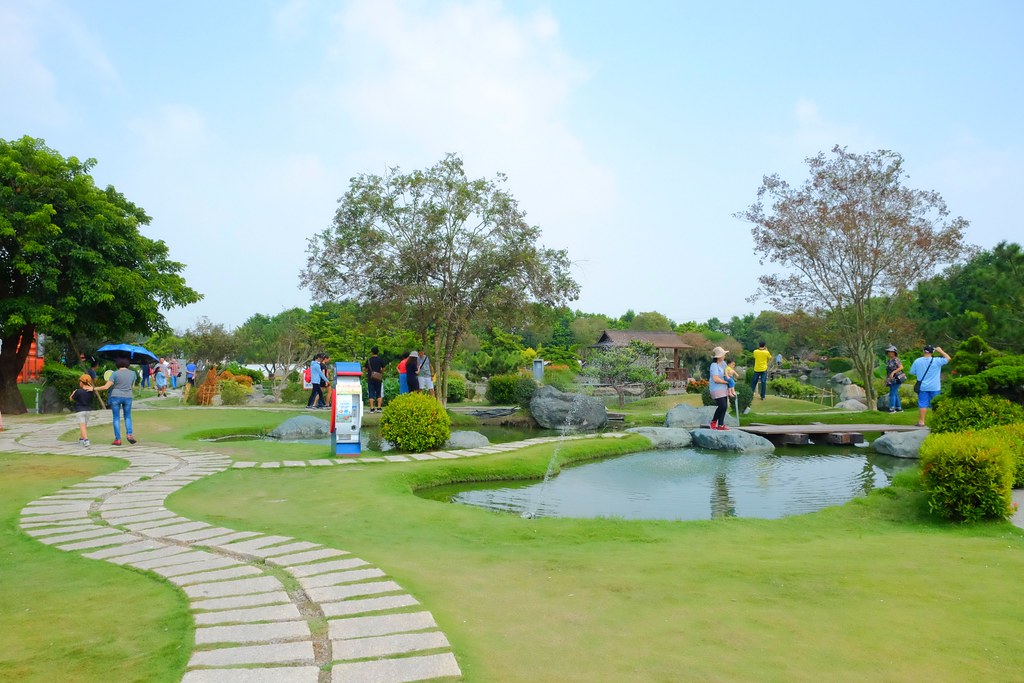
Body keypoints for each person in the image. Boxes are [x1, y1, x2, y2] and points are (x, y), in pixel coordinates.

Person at [95, 357, 137, 446]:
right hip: (128, 396)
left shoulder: (115, 373)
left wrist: (93, 388)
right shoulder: (133, 373)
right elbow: (132, 386)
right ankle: (129, 434)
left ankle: (118, 439)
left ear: (117, 364)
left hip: (116, 396)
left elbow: (105, 387)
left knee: (116, 418)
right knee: (128, 416)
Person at [909, 344, 950, 427]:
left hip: (922, 387)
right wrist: (940, 351)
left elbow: (912, 372)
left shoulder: (917, 361)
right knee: (936, 404)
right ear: (932, 352)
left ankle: (921, 422)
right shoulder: (937, 361)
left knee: (922, 404)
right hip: (935, 387)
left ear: (923, 351)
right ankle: (937, 421)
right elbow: (948, 358)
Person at [70, 374, 95, 447]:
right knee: (84, 426)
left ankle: (86, 440)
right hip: (88, 410)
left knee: (82, 426)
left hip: (80, 411)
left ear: (81, 382)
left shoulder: (78, 391)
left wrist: (73, 393)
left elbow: (71, 398)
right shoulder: (91, 391)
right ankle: (81, 439)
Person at [708, 347, 730, 430]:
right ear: (719, 356)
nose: (724, 356)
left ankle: (721, 424)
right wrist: (726, 382)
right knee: (722, 405)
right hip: (716, 388)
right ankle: (713, 421)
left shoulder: (723, 363)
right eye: (723, 354)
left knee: (725, 406)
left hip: (723, 388)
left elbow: (727, 372)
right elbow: (715, 379)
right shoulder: (714, 365)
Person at [884, 345, 906, 413]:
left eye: (890, 352)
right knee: (895, 393)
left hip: (896, 379)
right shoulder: (889, 361)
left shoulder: (896, 359)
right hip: (891, 380)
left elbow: (901, 367)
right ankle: (899, 408)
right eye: (888, 352)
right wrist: (887, 379)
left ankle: (892, 408)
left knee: (892, 393)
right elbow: (888, 371)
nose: (889, 353)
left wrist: (894, 372)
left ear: (894, 352)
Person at [365, 347, 385, 413]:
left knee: (371, 393)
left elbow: (365, 369)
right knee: (379, 393)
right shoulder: (380, 359)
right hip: (378, 378)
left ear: (372, 352)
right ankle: (379, 408)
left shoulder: (368, 360)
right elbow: (383, 368)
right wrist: (380, 372)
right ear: (378, 352)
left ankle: (372, 408)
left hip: (370, 379)